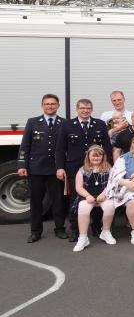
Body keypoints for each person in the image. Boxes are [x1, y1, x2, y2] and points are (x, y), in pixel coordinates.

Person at [56, 98, 113, 241]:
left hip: (97, 168)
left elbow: (107, 147)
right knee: (75, 199)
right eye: (82, 108)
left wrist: (108, 166)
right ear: (77, 109)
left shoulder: (99, 124)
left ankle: (96, 227)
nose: (85, 111)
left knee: (97, 197)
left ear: (91, 110)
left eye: (88, 108)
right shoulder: (67, 125)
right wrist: (59, 167)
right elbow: (60, 148)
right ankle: (75, 230)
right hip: (75, 168)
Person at [18, 94, 67, 242]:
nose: (50, 106)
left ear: (58, 105)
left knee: (58, 201)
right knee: (36, 201)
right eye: (47, 104)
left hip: (56, 168)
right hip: (36, 168)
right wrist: (22, 165)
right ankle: (35, 231)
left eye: (53, 104)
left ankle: (60, 229)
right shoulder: (33, 122)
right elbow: (25, 145)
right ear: (42, 106)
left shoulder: (64, 123)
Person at [71, 145, 116, 252]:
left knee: (110, 206)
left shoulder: (109, 169)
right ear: (88, 157)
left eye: (99, 156)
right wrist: (87, 196)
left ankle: (105, 232)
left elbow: (111, 184)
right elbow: (78, 187)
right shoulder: (82, 170)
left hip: (103, 196)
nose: (96, 158)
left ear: (103, 157)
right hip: (88, 197)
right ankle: (83, 238)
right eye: (93, 156)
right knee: (83, 207)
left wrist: (104, 194)